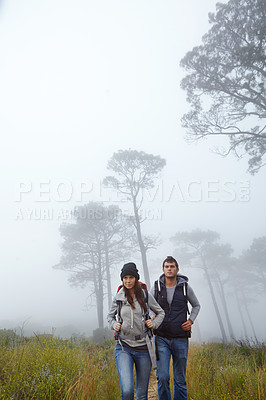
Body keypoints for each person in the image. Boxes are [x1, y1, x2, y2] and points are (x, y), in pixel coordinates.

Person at [107, 262, 165, 400]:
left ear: (136, 278)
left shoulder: (145, 295)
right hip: (123, 348)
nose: (128, 281)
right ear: (122, 279)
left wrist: (154, 323)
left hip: (143, 349)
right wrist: (114, 324)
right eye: (125, 277)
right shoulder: (119, 297)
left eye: (131, 277)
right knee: (127, 391)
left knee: (141, 395)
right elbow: (110, 317)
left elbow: (160, 312)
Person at [151, 256, 200, 400]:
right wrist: (153, 316)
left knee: (179, 379)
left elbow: (196, 305)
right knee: (163, 377)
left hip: (181, 338)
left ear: (177, 269)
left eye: (172, 266)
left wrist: (191, 320)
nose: (169, 269)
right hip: (161, 338)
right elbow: (149, 306)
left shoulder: (185, 287)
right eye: (167, 266)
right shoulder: (157, 287)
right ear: (163, 269)